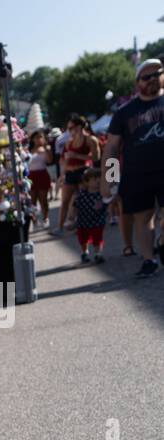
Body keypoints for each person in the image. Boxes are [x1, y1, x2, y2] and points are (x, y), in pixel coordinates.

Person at [104, 58, 164, 278]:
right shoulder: (124, 112)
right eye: (146, 77)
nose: (152, 79)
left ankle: (161, 241)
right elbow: (111, 147)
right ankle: (149, 260)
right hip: (137, 173)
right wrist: (110, 179)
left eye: (157, 73)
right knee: (143, 217)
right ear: (137, 82)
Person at [58, 115, 100, 232]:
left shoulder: (91, 139)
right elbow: (64, 160)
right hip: (70, 172)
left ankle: (82, 224)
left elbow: (96, 157)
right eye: (68, 128)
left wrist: (77, 156)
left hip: (83, 172)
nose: (70, 130)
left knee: (81, 199)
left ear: (80, 126)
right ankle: (60, 227)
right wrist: (62, 175)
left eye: (71, 127)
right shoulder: (69, 142)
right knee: (65, 201)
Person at [73, 168, 108, 263]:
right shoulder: (81, 194)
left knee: (98, 238)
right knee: (83, 239)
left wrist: (103, 206)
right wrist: (71, 218)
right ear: (87, 182)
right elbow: (75, 206)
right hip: (83, 221)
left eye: (99, 179)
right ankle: (84, 252)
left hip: (97, 220)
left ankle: (98, 254)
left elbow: (108, 203)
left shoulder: (102, 194)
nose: (98, 181)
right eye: (95, 179)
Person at [27, 130, 54, 228]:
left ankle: (45, 218)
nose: (39, 139)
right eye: (37, 137)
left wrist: (47, 149)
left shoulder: (46, 148)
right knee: (32, 200)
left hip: (42, 174)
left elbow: (50, 160)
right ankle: (34, 221)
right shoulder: (28, 150)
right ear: (33, 139)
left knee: (43, 200)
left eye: (40, 137)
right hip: (30, 176)